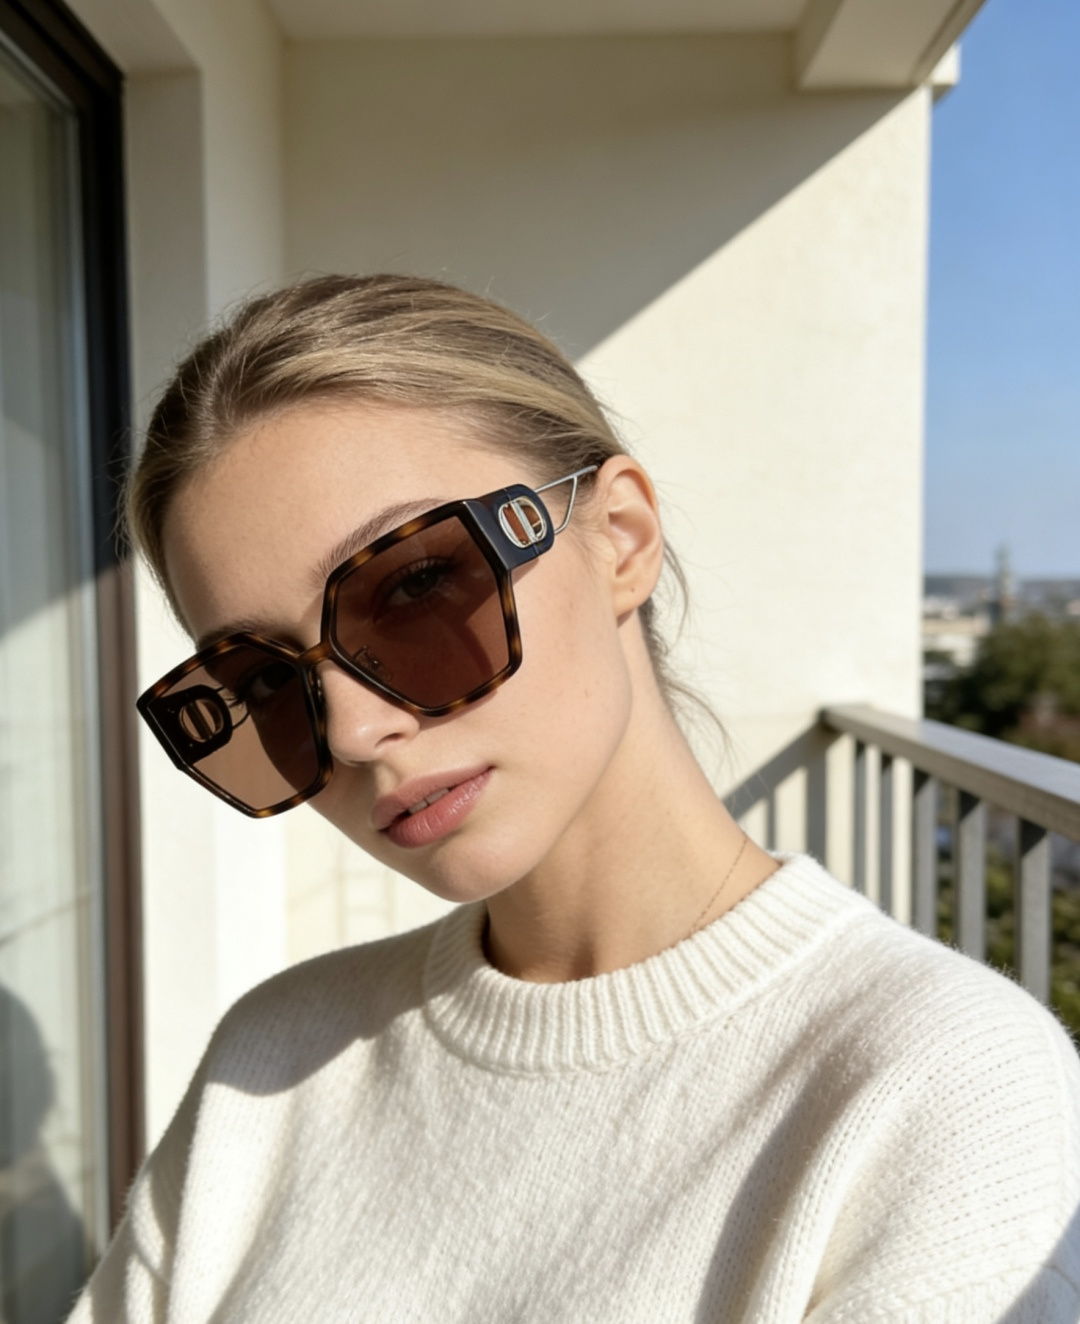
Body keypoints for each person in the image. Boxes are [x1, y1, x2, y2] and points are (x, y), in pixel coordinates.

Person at [70, 275, 1080, 1323]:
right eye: (260, 684)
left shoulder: (938, 1083)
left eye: (413, 586)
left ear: (620, 538)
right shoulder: (272, 1062)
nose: (354, 731)